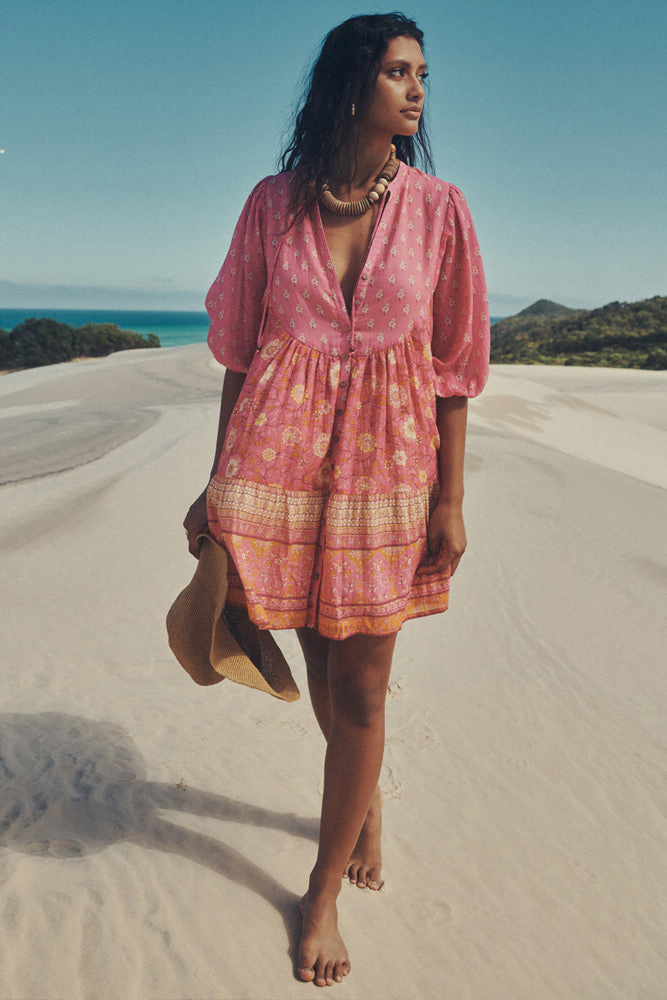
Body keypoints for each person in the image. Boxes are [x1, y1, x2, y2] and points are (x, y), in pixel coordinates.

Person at [184, 12, 490, 988]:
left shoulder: (440, 210)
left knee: (360, 684)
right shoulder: (272, 204)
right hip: (277, 471)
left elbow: (453, 368)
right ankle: (364, 796)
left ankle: (319, 894)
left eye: (423, 75)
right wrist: (213, 474)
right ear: (349, 83)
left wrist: (450, 496)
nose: (417, 91)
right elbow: (238, 351)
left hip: (388, 481)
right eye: (398, 72)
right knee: (318, 662)